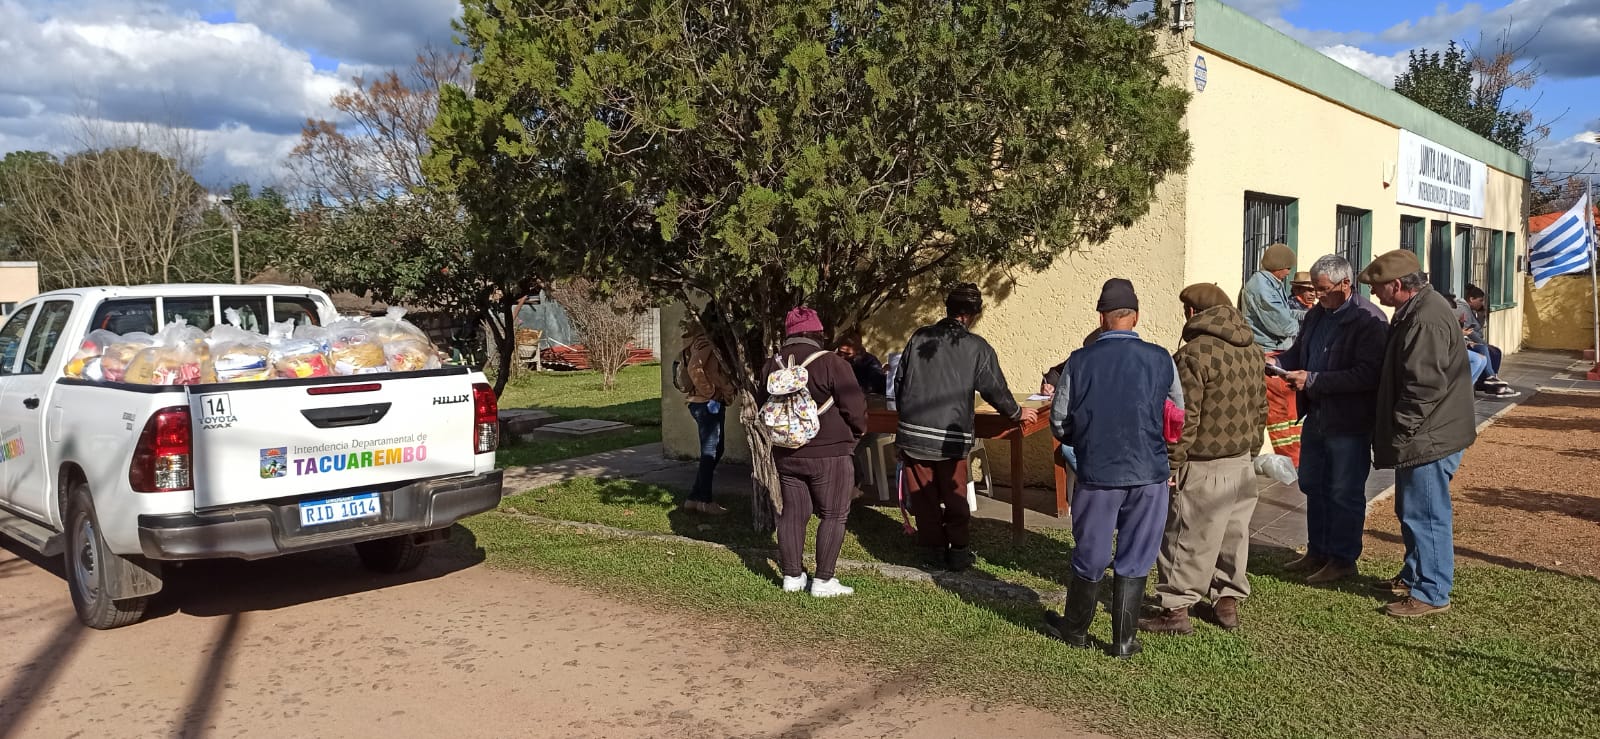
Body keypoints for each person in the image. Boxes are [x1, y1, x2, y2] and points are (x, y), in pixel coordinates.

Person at [1046, 279, 1182, 658]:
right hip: (1149, 473)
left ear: (1101, 318)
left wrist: (1082, 442)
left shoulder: (1079, 361)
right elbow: (1177, 415)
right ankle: (1124, 641)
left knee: (1091, 553)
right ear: (1135, 317)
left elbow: (1059, 420)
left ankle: (1075, 630)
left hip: (1098, 474)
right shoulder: (1161, 358)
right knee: (1137, 556)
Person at [1140, 284, 1267, 635]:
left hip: (1203, 464)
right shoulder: (1253, 350)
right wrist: (1252, 452)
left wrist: (1171, 463)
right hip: (1241, 461)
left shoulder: (1193, 355)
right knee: (1232, 537)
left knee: (1187, 536)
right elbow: (1261, 407)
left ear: (1193, 313)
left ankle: (1175, 611)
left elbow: (1183, 418)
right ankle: (1227, 602)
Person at [1360, 250, 1477, 618]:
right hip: (1428, 432)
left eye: (1377, 287)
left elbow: (1424, 387)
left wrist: (1400, 428)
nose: (1374, 293)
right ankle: (1413, 576)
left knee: (1425, 514)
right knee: (1411, 509)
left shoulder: (1425, 318)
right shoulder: (1418, 310)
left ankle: (1432, 592)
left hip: (1429, 436)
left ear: (1397, 285)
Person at [894, 283, 1039, 571]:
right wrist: (1016, 412)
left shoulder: (919, 337)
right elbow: (994, 389)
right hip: (951, 436)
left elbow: (900, 382)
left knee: (924, 497)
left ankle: (932, 551)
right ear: (973, 315)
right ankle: (958, 551)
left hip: (914, 433)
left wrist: (907, 418)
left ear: (948, 308)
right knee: (955, 494)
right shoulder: (977, 348)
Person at [1275, 255, 1389, 585]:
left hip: (1349, 421)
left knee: (1344, 491)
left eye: (1323, 290)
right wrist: (1275, 362)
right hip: (1317, 415)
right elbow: (1300, 352)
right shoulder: (1317, 315)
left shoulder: (1369, 320)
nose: (1317, 296)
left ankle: (1342, 559)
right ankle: (1318, 550)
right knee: (1313, 484)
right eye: (1314, 289)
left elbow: (1368, 375)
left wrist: (1313, 380)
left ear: (1345, 284)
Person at [756, 307, 868, 597]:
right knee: (834, 514)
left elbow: (761, 404)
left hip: (786, 453)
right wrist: (856, 434)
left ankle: (792, 577)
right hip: (830, 453)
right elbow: (855, 408)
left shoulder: (771, 366)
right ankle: (824, 580)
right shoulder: (831, 362)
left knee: (793, 514)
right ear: (818, 333)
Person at [1240, 243, 1303, 466]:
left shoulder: (1270, 284)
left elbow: (1285, 314)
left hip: (1278, 351)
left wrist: (1306, 316)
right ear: (1279, 266)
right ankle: (1291, 460)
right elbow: (1281, 324)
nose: (1288, 273)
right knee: (1280, 412)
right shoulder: (1261, 286)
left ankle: (1295, 459)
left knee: (1290, 411)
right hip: (1270, 353)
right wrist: (1303, 325)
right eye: (1287, 268)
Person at [682, 315, 734, 515]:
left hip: (709, 402)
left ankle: (694, 498)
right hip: (706, 403)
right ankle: (704, 500)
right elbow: (694, 368)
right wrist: (711, 392)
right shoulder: (705, 341)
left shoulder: (706, 341)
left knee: (715, 450)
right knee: (710, 452)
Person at [1459, 285, 1516, 398]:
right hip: (1465, 342)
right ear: (1471, 299)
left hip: (1470, 340)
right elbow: (1468, 331)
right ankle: (1489, 378)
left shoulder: (1471, 310)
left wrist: (1481, 315)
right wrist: (1480, 343)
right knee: (1485, 351)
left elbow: (1476, 328)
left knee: (1496, 352)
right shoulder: (1462, 309)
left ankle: (1493, 382)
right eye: (1480, 300)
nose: (1482, 303)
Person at [835, 331, 888, 395]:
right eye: (840, 352)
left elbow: (874, 385)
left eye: (847, 354)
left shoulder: (871, 362)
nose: (842, 356)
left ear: (858, 351)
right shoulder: (834, 359)